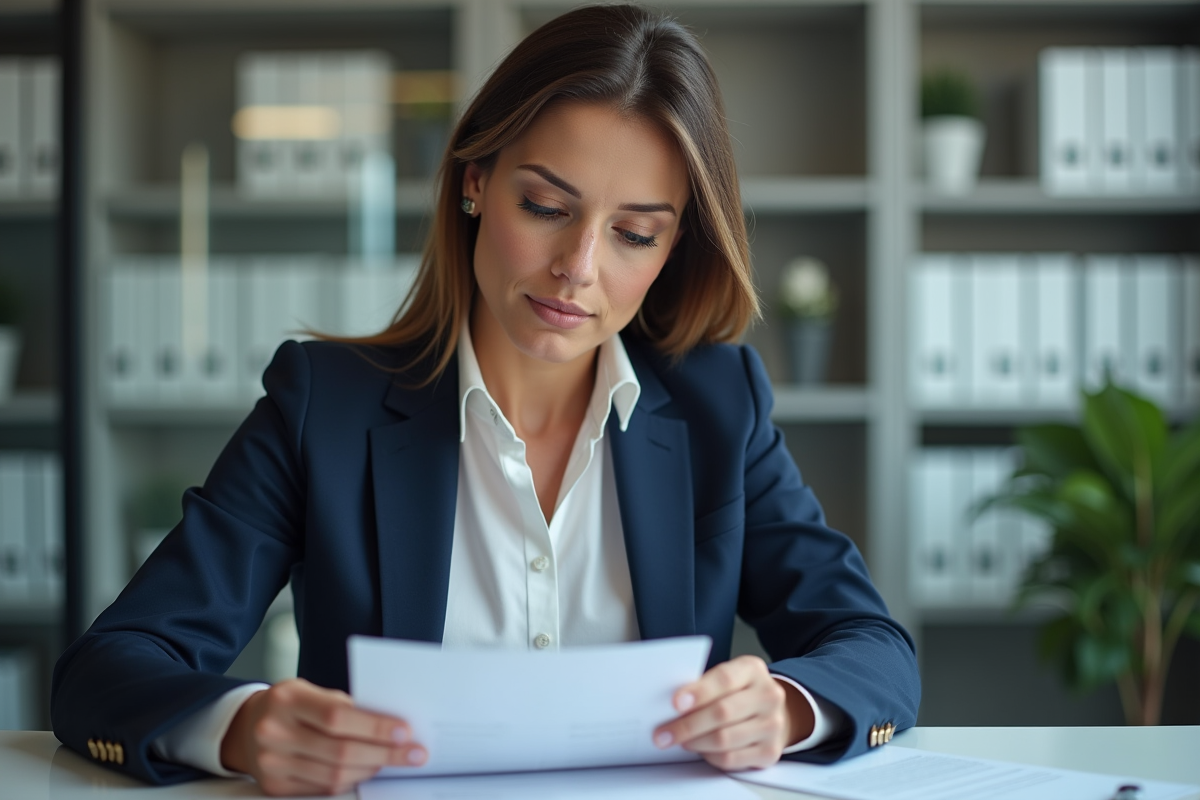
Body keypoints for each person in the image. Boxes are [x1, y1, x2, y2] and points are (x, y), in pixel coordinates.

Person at [51, 4, 920, 795]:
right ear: (474, 180)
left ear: (672, 248)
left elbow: (874, 651)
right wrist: (242, 728)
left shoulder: (718, 406)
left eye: (634, 233)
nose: (578, 269)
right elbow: (110, 667)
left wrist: (788, 707)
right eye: (545, 206)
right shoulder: (325, 406)